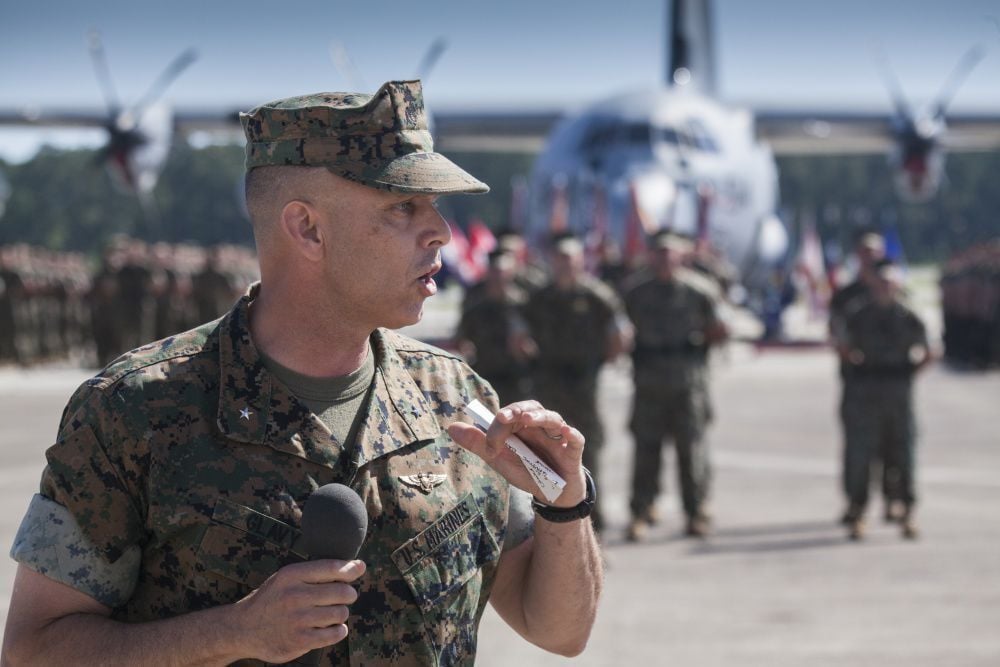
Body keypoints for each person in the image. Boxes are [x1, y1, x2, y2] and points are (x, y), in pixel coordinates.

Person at [2, 80, 602, 666]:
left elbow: (558, 630)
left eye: (436, 207)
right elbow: (35, 650)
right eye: (403, 206)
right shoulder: (136, 411)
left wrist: (564, 502)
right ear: (308, 228)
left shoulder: (456, 399)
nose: (440, 231)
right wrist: (233, 632)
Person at [522, 231, 629, 534]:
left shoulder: (596, 295)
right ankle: (543, 528)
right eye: (560, 259)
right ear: (553, 262)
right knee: (543, 455)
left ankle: (594, 527)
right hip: (548, 384)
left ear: (582, 262)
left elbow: (620, 334)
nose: (565, 265)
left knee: (588, 454)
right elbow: (520, 333)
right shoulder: (540, 298)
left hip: (584, 387)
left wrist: (599, 363)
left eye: (571, 259)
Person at [623, 231, 727, 540]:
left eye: (671, 253)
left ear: (682, 255)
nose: (665, 259)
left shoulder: (700, 290)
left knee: (691, 451)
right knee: (646, 450)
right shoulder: (637, 292)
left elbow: (720, 329)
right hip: (650, 381)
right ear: (651, 256)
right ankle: (641, 511)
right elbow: (619, 330)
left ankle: (696, 512)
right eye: (660, 253)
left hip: (688, 382)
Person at [839, 259, 931, 540]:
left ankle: (906, 509)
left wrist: (908, 373)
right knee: (862, 454)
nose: (885, 289)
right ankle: (858, 510)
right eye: (881, 284)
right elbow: (843, 344)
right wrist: (860, 368)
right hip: (867, 390)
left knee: (902, 451)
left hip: (898, 392)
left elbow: (929, 350)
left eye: (890, 284)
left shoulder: (909, 315)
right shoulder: (859, 314)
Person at [829, 230, 903, 523]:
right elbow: (834, 333)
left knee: (894, 444)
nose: (870, 258)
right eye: (864, 252)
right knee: (858, 446)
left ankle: (893, 499)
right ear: (857, 256)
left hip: (893, 384)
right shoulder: (847, 296)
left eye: (875, 252)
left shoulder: (896, 291)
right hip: (858, 382)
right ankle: (855, 503)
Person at [455, 248, 534, 404]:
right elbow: (462, 338)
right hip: (486, 376)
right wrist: (466, 348)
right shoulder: (476, 309)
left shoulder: (524, 306)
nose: (499, 280)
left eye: (503, 275)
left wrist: (528, 349)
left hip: (518, 379)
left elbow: (538, 341)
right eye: (495, 274)